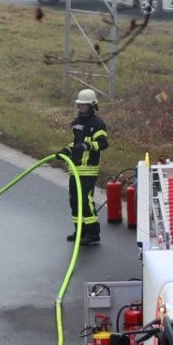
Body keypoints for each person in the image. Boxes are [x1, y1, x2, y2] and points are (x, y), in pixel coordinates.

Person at [60, 88, 108, 246]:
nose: (81, 107)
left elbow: (103, 143)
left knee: (85, 201)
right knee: (74, 200)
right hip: (75, 167)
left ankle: (92, 233)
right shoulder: (78, 123)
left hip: (88, 169)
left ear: (92, 105)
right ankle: (79, 230)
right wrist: (66, 150)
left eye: (84, 105)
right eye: (80, 104)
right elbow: (75, 143)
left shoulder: (97, 124)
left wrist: (88, 146)